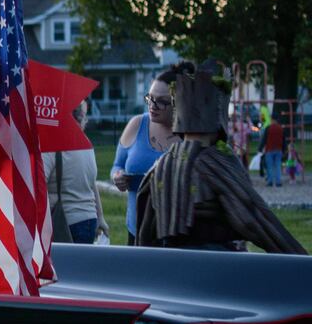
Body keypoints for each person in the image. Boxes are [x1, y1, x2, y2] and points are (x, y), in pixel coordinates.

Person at [136, 63, 304, 254]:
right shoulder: (215, 160)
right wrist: (300, 261)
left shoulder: (161, 165)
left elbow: (144, 233)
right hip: (216, 267)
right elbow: (253, 218)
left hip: (171, 267)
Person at [110, 68, 177, 244]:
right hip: (136, 230)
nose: (153, 105)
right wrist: (118, 177)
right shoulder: (137, 124)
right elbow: (117, 165)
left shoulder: (189, 134)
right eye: (150, 98)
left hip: (174, 234)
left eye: (162, 102)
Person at [42, 100, 107, 244]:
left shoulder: (52, 144)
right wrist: (100, 217)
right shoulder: (87, 145)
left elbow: (39, 185)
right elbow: (92, 185)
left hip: (65, 223)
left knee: (64, 266)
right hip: (89, 219)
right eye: (85, 117)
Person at [260, 113, 286, 187]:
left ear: (271, 119)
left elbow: (264, 140)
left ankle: (270, 181)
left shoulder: (268, 128)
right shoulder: (281, 128)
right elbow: (283, 140)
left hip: (269, 149)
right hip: (278, 149)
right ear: (277, 120)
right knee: (278, 165)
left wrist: (260, 148)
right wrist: (284, 149)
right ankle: (278, 182)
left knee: (270, 166)